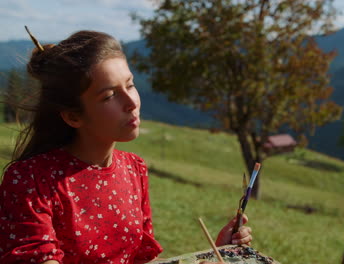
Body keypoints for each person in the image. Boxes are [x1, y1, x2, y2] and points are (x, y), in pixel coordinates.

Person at [0, 29, 252, 264]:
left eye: (130, 85)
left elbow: (140, 260)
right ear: (73, 116)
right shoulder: (31, 181)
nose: (131, 101)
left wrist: (216, 253)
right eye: (109, 96)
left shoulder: (134, 169)